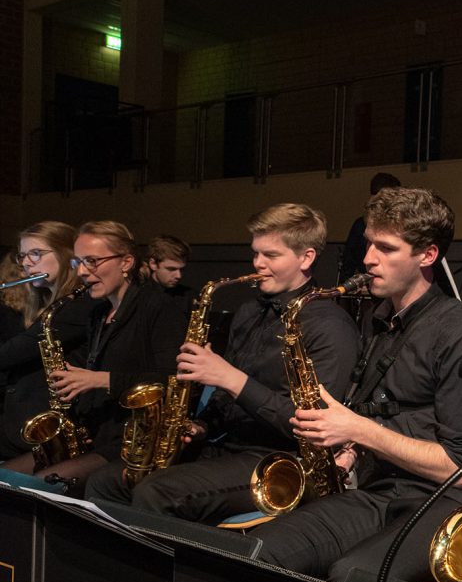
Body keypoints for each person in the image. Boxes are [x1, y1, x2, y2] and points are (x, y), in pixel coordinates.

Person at [253, 187, 462, 582]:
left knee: (352, 576)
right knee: (260, 550)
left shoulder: (460, 332)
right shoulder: (381, 318)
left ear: (428, 255)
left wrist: (356, 429)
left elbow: (460, 468)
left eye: (386, 248)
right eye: (369, 244)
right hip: (378, 490)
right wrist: (346, 449)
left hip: (441, 501)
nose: (367, 259)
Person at [83, 204, 360, 516]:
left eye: (271, 256)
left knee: (156, 493)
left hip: (278, 460)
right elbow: (225, 402)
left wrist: (229, 377)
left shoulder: (330, 325)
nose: (258, 264)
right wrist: (200, 424)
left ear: (306, 257)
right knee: (106, 481)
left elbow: (315, 427)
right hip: (225, 446)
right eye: (255, 253)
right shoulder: (248, 312)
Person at [2, 221, 187, 488]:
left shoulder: (159, 308)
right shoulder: (100, 313)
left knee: (39, 485)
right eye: (78, 262)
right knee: (5, 479)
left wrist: (100, 380)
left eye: (93, 261)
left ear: (126, 262)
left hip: (134, 440)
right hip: (96, 433)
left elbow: (175, 379)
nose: (84, 272)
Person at [0, 222, 95, 461]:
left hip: (47, 428)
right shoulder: (47, 304)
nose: (26, 263)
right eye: (23, 255)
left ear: (66, 255)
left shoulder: (79, 306)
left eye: (36, 254)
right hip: (22, 420)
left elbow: (12, 353)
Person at [339, 172, 402, 282]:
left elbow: (348, 263)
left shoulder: (359, 224)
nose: (368, 259)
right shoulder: (360, 225)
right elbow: (349, 262)